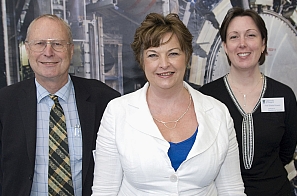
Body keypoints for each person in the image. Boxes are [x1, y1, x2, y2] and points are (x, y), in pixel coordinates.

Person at [91, 12, 245, 195]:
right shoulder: (117, 113)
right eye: (153, 55)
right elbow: (104, 191)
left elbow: (232, 190)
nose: (164, 64)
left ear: (186, 57)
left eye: (173, 53)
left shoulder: (218, 112)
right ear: (142, 61)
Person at [0, 14, 120, 196]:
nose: (48, 52)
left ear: (71, 50)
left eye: (57, 44)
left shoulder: (105, 101)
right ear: (27, 49)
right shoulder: (4, 104)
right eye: (39, 44)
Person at [199, 7, 297, 195]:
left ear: (263, 44)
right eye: (234, 37)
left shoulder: (284, 95)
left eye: (251, 35)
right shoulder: (207, 97)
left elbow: (286, 152)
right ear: (225, 47)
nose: (242, 44)